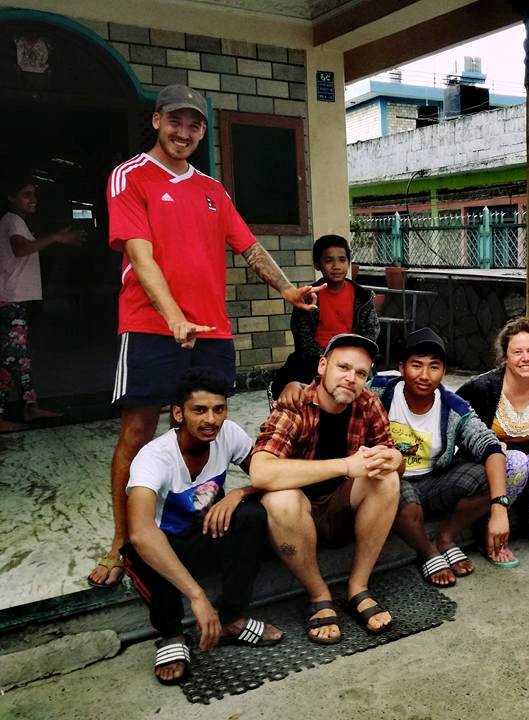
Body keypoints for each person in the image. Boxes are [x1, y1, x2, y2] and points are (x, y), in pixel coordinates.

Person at [90, 84, 317, 588]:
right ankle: (123, 539)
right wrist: (172, 315)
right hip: (150, 327)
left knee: (208, 426)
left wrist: (286, 288)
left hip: (212, 330)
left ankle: (196, 515)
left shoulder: (213, 190)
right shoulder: (131, 176)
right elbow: (140, 256)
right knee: (137, 433)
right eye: (175, 121)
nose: (184, 132)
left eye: (194, 125)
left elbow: (249, 246)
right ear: (156, 121)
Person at [275, 327, 510, 586]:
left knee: (495, 474)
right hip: (389, 482)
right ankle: (427, 551)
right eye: (416, 365)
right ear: (401, 367)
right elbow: (337, 386)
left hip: (433, 480)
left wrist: (499, 507)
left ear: (443, 371)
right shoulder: (379, 391)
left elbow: (489, 445)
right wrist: (295, 386)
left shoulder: (454, 407)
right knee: (389, 485)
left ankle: (446, 538)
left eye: (434, 367)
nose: (424, 375)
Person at [124, 367, 283, 685]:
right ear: (178, 414)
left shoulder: (229, 434)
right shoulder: (154, 457)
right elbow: (141, 532)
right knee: (141, 548)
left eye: (219, 409)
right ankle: (171, 634)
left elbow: (271, 474)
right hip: (168, 548)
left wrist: (239, 493)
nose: (211, 419)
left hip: (207, 535)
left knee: (251, 516)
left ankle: (230, 620)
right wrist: (197, 596)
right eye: (199, 410)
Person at [250, 333, 401, 644]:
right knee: (279, 499)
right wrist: (345, 465)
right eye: (343, 367)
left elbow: (391, 455)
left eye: (360, 373)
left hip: (342, 508)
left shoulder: (367, 403)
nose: (351, 378)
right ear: (322, 366)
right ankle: (319, 594)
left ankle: (358, 587)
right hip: (296, 516)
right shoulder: (295, 405)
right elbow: (260, 472)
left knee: (387, 478)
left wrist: (395, 459)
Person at [457, 317, 529, 565]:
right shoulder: (481, 387)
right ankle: (489, 530)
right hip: (481, 463)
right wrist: (493, 448)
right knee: (515, 461)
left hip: (520, 460)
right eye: (517, 352)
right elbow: (456, 429)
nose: (525, 358)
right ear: (505, 356)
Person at [0, 178, 84, 432]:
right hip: (10, 301)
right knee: (10, 358)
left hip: (16, 301)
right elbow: (20, 249)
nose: (33, 199)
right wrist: (55, 237)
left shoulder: (18, 222)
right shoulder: (12, 220)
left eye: (34, 194)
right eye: (26, 194)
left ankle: (30, 406)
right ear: (11, 198)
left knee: (21, 358)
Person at [270, 234, 379, 400]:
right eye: (329, 261)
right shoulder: (308, 297)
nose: (336, 266)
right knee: (291, 394)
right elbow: (303, 340)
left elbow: (371, 332)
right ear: (317, 264)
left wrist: (348, 359)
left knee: (369, 396)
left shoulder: (362, 297)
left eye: (342, 260)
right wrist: (329, 362)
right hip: (313, 363)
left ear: (349, 262)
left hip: (353, 360)